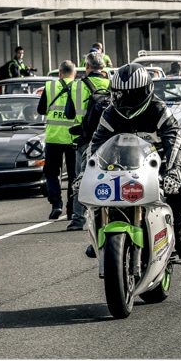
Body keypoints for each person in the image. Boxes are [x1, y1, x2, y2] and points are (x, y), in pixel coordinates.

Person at [89, 63, 181, 262]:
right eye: (122, 95)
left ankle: (180, 236)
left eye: (134, 95)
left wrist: (173, 171)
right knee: (97, 193)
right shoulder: (110, 113)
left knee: (178, 192)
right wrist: (84, 173)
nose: (127, 100)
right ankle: (99, 234)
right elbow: (96, 144)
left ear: (147, 91)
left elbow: (175, 138)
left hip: (156, 167)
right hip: (119, 167)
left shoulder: (158, 108)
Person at [64, 51, 110, 231]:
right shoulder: (111, 84)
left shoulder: (76, 86)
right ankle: (106, 216)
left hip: (84, 141)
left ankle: (78, 219)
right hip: (108, 140)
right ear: (103, 67)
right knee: (108, 177)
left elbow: (69, 113)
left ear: (87, 67)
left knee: (80, 180)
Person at [38, 60, 78, 220]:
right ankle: (71, 208)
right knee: (73, 175)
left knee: (52, 173)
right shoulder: (78, 87)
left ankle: (56, 204)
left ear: (60, 73)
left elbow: (40, 109)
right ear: (74, 74)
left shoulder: (50, 87)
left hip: (53, 137)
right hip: (72, 137)